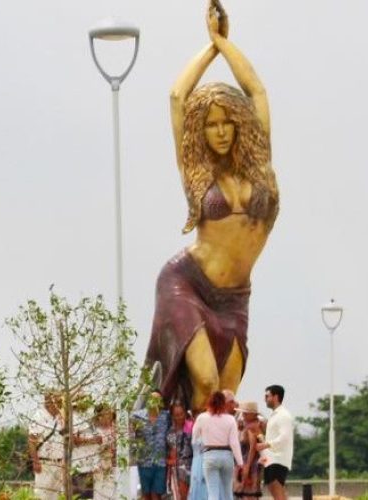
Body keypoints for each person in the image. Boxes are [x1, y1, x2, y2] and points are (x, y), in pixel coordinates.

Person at [145, 0, 279, 415]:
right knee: (204, 383)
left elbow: (256, 90)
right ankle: (195, 476)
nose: (220, 132)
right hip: (186, 283)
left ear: (240, 124)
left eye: (227, 122)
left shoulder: (262, 166)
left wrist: (226, 42)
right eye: (210, 124)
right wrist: (210, 48)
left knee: (225, 396)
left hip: (235, 296)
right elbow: (176, 95)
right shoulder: (197, 173)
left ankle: (213, 476)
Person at [255, 385, 293, 500]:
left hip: (278, 459)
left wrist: (265, 444)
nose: (265, 399)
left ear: (276, 397)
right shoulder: (275, 415)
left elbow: (284, 437)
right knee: (274, 489)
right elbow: (274, 437)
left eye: (267, 396)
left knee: (277, 490)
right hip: (272, 459)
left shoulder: (283, 415)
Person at [133, 390, 171, 500]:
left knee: (157, 494)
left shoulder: (166, 416)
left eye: (157, 399)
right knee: (146, 495)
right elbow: (130, 435)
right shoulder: (137, 416)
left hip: (160, 462)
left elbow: (171, 434)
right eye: (152, 399)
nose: (154, 401)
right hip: (144, 461)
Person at [28, 391, 64, 500]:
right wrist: (35, 462)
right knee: (42, 495)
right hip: (44, 463)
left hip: (59, 463)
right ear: (48, 402)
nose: (59, 403)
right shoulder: (38, 417)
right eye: (56, 401)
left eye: (59, 401)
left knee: (56, 496)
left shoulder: (60, 417)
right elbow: (31, 441)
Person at [235, 401, 265, 498]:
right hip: (251, 463)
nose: (243, 415)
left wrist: (247, 466)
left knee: (248, 494)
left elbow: (252, 448)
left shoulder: (252, 427)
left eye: (245, 413)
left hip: (250, 463)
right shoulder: (252, 425)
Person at [167, 402, 194, 499]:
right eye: (177, 415)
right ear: (173, 416)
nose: (180, 417)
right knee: (183, 496)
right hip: (180, 467)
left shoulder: (192, 426)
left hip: (194, 464)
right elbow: (173, 453)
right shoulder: (171, 432)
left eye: (181, 414)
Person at [91, 405, 118, 500]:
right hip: (99, 466)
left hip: (112, 466)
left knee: (113, 492)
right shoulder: (94, 432)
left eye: (110, 413)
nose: (109, 415)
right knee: (100, 493)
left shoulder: (115, 429)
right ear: (99, 416)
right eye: (106, 413)